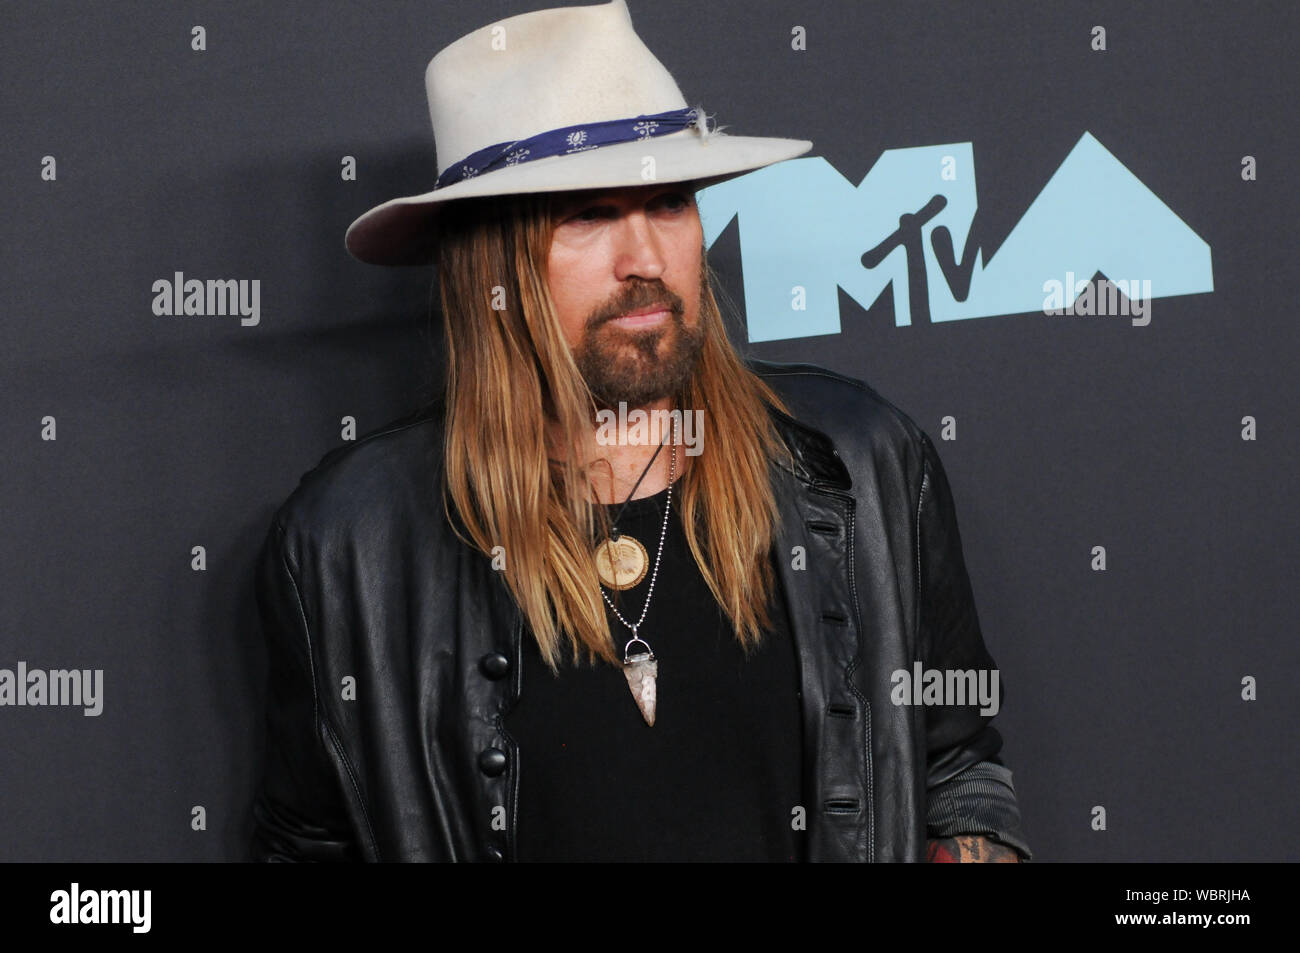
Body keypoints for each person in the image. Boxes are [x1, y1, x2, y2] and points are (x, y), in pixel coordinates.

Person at [251, 0, 1031, 863]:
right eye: (587, 214)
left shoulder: (862, 461)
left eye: (669, 202)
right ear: (489, 266)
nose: (647, 259)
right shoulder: (350, 543)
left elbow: (956, 773)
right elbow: (311, 842)